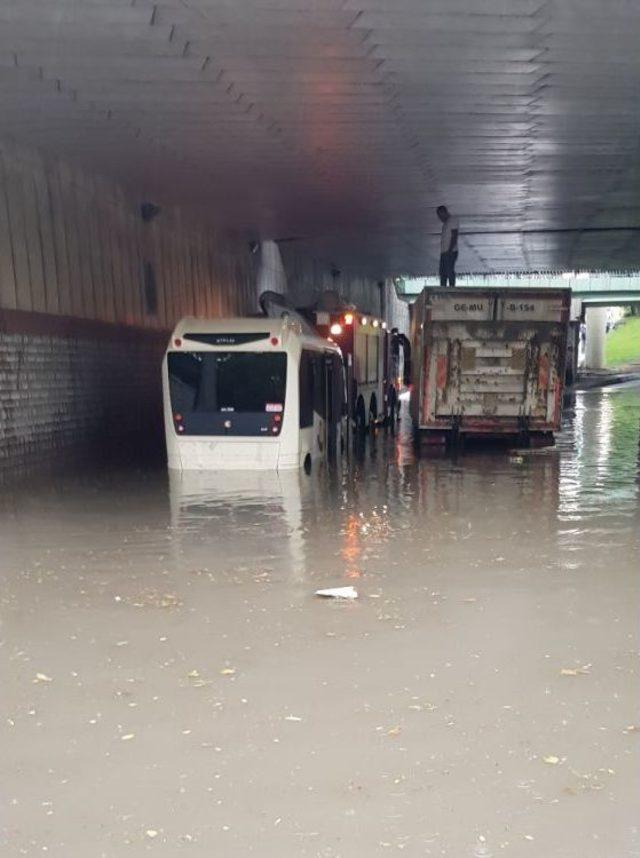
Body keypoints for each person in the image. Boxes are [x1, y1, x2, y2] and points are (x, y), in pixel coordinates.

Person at [436, 205, 459, 287]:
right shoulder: (446, 223)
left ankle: (451, 288)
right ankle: (443, 288)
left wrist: (450, 250)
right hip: (444, 252)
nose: (440, 218)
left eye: (440, 216)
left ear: (444, 212)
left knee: (449, 271)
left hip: (450, 251)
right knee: (443, 272)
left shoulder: (453, 220)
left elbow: (454, 235)